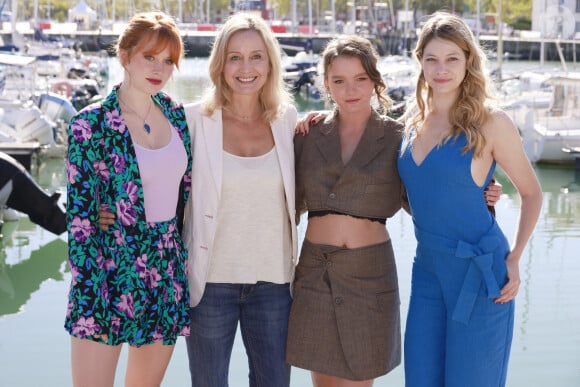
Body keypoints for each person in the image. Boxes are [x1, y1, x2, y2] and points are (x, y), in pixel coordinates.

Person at [397, 12, 542, 387]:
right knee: (420, 380)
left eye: (451, 59)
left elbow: (531, 193)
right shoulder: (412, 119)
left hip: (481, 277)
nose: (440, 69)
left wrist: (515, 258)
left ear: (468, 62)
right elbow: (425, 191)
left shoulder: (492, 122)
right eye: (431, 59)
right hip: (427, 269)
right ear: (420, 62)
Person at [65, 12, 192, 387]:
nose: (159, 68)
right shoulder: (90, 124)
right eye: (149, 57)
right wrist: (90, 288)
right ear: (124, 55)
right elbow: (80, 219)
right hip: (106, 271)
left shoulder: (177, 115)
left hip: (165, 272)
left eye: (168, 60)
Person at [182, 14, 298, 386]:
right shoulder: (194, 121)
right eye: (235, 57)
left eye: (256, 56)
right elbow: (155, 175)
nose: (245, 67)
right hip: (210, 283)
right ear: (220, 64)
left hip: (275, 285)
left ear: (270, 63)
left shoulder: (288, 122)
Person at [285, 34, 404, 386]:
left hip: (370, 275)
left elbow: (430, 198)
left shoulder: (399, 138)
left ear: (375, 81)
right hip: (314, 272)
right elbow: (281, 197)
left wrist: (482, 194)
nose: (350, 89)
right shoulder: (308, 134)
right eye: (339, 80)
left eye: (360, 79)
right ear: (327, 85)